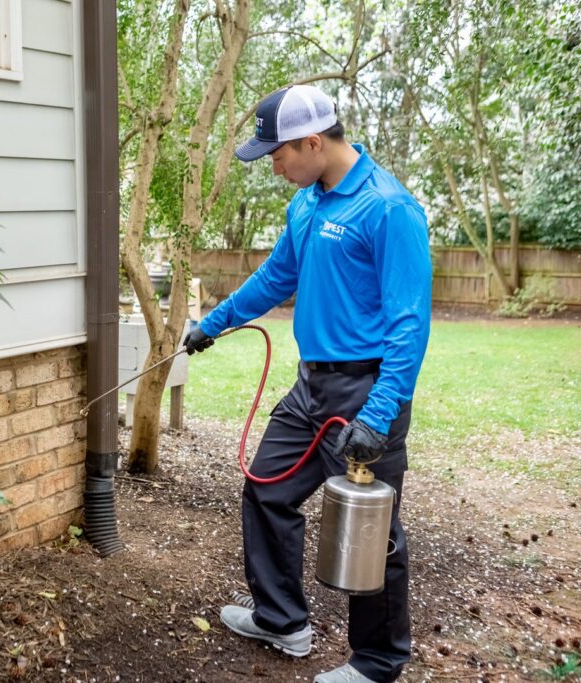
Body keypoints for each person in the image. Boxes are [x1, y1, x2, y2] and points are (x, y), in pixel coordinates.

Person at [183, 84, 431, 683]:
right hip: (311, 388)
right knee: (266, 490)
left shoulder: (388, 208)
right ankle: (281, 620)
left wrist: (379, 413)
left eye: (277, 154)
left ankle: (377, 661)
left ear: (313, 142)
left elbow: (408, 324)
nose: (274, 165)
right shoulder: (306, 203)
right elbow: (276, 278)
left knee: (373, 533)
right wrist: (212, 324)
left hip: (367, 392)